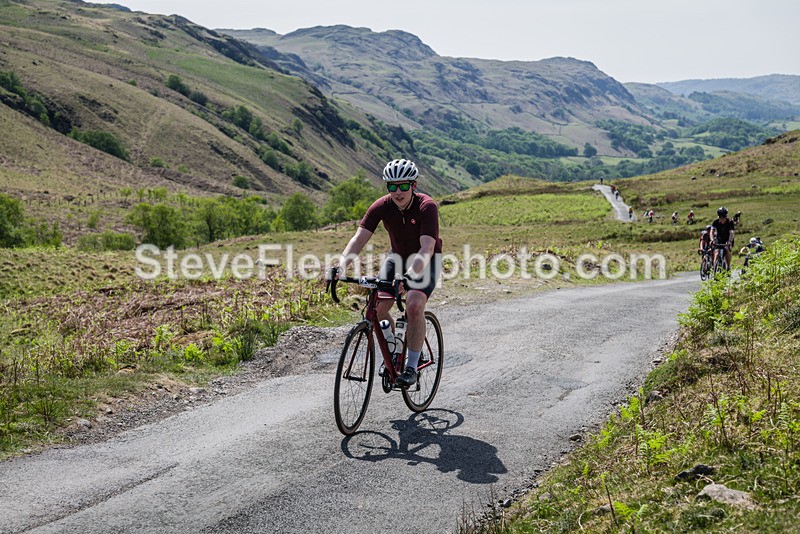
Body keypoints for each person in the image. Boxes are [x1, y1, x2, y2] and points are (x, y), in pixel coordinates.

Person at [334, 159, 442, 388]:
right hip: (397, 257)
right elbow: (359, 239)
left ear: (414, 185)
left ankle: (411, 366)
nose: (398, 192)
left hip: (427, 260)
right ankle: (394, 350)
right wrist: (340, 267)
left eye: (403, 186)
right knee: (379, 307)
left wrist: (409, 276)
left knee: (414, 304)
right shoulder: (382, 206)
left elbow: (427, 248)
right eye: (392, 186)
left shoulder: (426, 206)